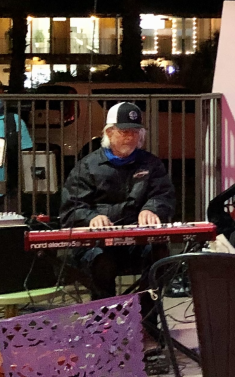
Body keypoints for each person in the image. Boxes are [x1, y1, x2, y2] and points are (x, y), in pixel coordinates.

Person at [59, 101, 176, 298]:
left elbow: (164, 196)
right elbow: (71, 209)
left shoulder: (151, 164)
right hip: (97, 243)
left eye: (135, 132)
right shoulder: (87, 166)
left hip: (137, 241)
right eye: (124, 132)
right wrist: (91, 218)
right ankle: (106, 322)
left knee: (159, 254)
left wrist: (152, 209)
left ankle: (147, 317)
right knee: (101, 261)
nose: (130, 137)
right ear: (109, 132)